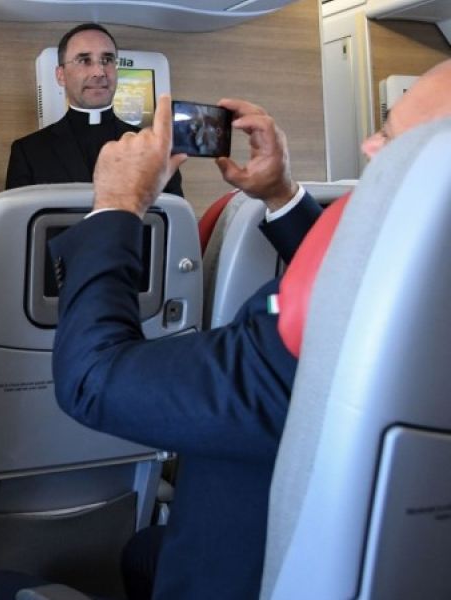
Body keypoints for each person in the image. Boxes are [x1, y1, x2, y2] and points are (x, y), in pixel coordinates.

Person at [47, 59, 451, 599]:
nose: (368, 146)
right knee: (141, 553)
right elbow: (366, 285)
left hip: (248, 568)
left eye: (393, 139)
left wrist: (117, 207)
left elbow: (93, 378)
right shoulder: (426, 318)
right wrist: (281, 194)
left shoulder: (306, 358)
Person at [5, 23, 183, 197]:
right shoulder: (29, 152)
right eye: (84, 60)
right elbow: (18, 224)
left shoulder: (155, 150)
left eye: (107, 60)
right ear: (61, 75)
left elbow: (175, 222)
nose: (99, 72)